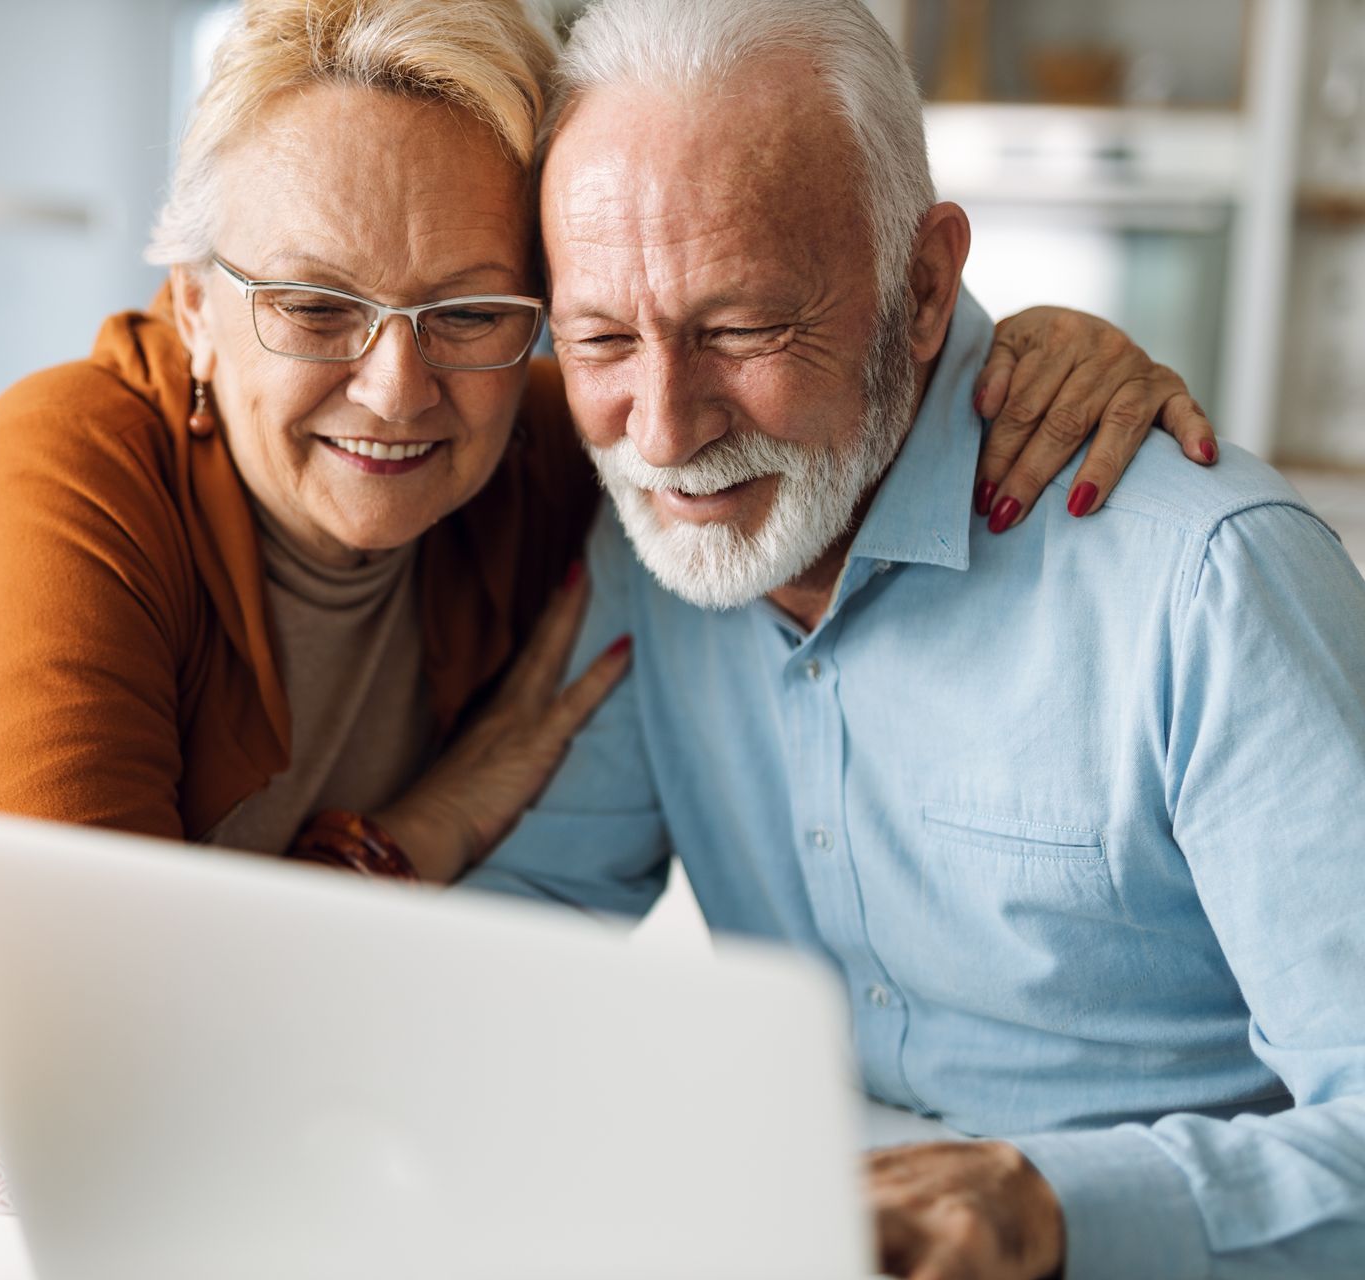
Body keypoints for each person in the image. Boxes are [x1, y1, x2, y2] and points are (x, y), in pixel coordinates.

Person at [0, 0, 1212, 1039]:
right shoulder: (67, 478)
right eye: (316, 303)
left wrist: (1034, 346)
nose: (398, 389)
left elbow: (768, 353)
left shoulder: (543, 448)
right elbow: (99, 1039)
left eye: (471, 308)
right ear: (190, 305)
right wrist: (429, 829)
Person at [441, 1, 1365, 1277]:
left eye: (743, 328)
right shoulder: (663, 550)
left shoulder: (1208, 582)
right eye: (599, 338)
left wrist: (1056, 1206)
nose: (661, 432)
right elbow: (515, 938)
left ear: (923, 285)